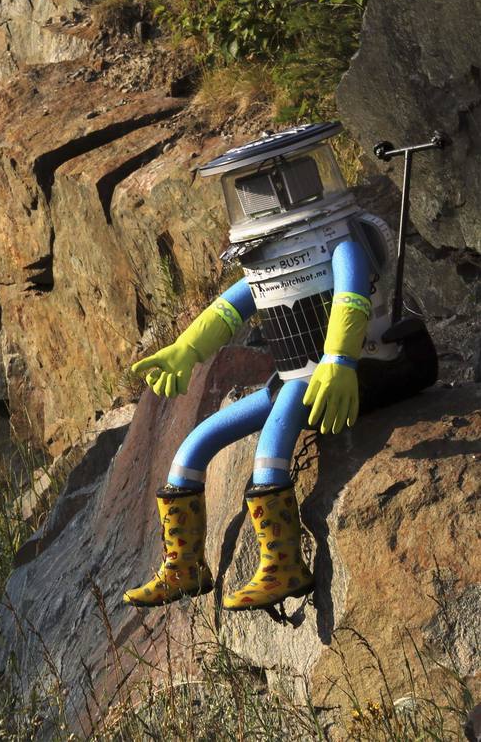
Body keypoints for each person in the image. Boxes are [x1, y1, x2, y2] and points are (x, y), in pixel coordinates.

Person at [122, 123, 403, 611]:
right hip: (296, 378)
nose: (270, 195)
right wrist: (185, 351)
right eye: (252, 188)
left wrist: (338, 361)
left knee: (270, 448)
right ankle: (184, 566)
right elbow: (230, 309)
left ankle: (284, 565)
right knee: (194, 444)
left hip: (361, 370)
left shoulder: (343, 242)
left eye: (282, 181)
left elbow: (351, 302)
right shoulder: (267, 261)